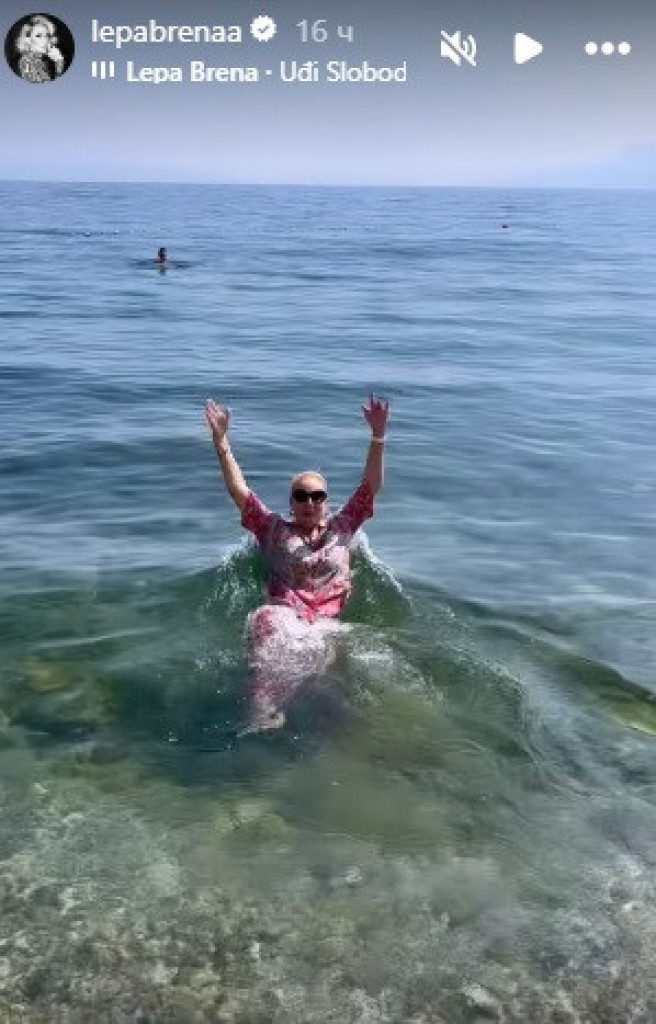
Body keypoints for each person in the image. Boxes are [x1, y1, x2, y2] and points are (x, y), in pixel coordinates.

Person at [205, 394, 390, 733]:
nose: (309, 502)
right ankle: (263, 714)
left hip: (325, 622)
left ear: (326, 502)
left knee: (326, 679)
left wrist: (378, 437)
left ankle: (326, 723)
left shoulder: (344, 526)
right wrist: (222, 442)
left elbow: (370, 487)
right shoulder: (272, 528)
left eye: (317, 496)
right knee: (271, 655)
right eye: (301, 496)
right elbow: (239, 491)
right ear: (291, 503)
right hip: (282, 615)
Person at [14, 15, 65, 83]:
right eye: (38, 36)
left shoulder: (45, 59)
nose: (45, 40)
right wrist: (59, 61)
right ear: (28, 39)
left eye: (47, 35)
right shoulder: (26, 62)